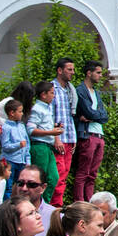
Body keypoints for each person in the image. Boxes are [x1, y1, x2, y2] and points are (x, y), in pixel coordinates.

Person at [71, 60, 108, 202]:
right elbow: (89, 111)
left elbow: (104, 115)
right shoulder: (80, 90)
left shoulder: (96, 92)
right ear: (89, 73)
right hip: (87, 135)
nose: (100, 76)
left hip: (99, 135)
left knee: (92, 174)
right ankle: (80, 203)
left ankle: (89, 202)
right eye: (98, 72)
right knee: (83, 172)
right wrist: (94, 115)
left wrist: (94, 116)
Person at [27, 81, 63, 201]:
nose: (54, 96)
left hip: (48, 146)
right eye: (52, 93)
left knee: (53, 177)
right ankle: (36, 202)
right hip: (39, 146)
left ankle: (44, 202)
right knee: (39, 178)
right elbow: (31, 129)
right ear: (43, 94)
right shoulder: (37, 109)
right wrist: (50, 132)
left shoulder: (47, 108)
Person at [48, 58, 78, 206]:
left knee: (64, 175)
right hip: (59, 139)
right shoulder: (52, 89)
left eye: (73, 69)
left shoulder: (70, 90)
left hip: (69, 137)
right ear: (60, 70)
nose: (72, 72)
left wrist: (74, 139)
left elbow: (69, 116)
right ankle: (54, 207)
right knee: (57, 176)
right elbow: (50, 116)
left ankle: (57, 206)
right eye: (69, 69)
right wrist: (56, 138)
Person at [0, 98, 30, 187]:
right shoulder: (6, 127)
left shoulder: (21, 126)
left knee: (20, 185)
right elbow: (5, 146)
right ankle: (6, 201)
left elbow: (27, 144)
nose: (22, 113)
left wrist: (27, 160)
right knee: (7, 186)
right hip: (10, 161)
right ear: (12, 113)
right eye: (20, 112)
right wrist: (18, 145)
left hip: (21, 161)